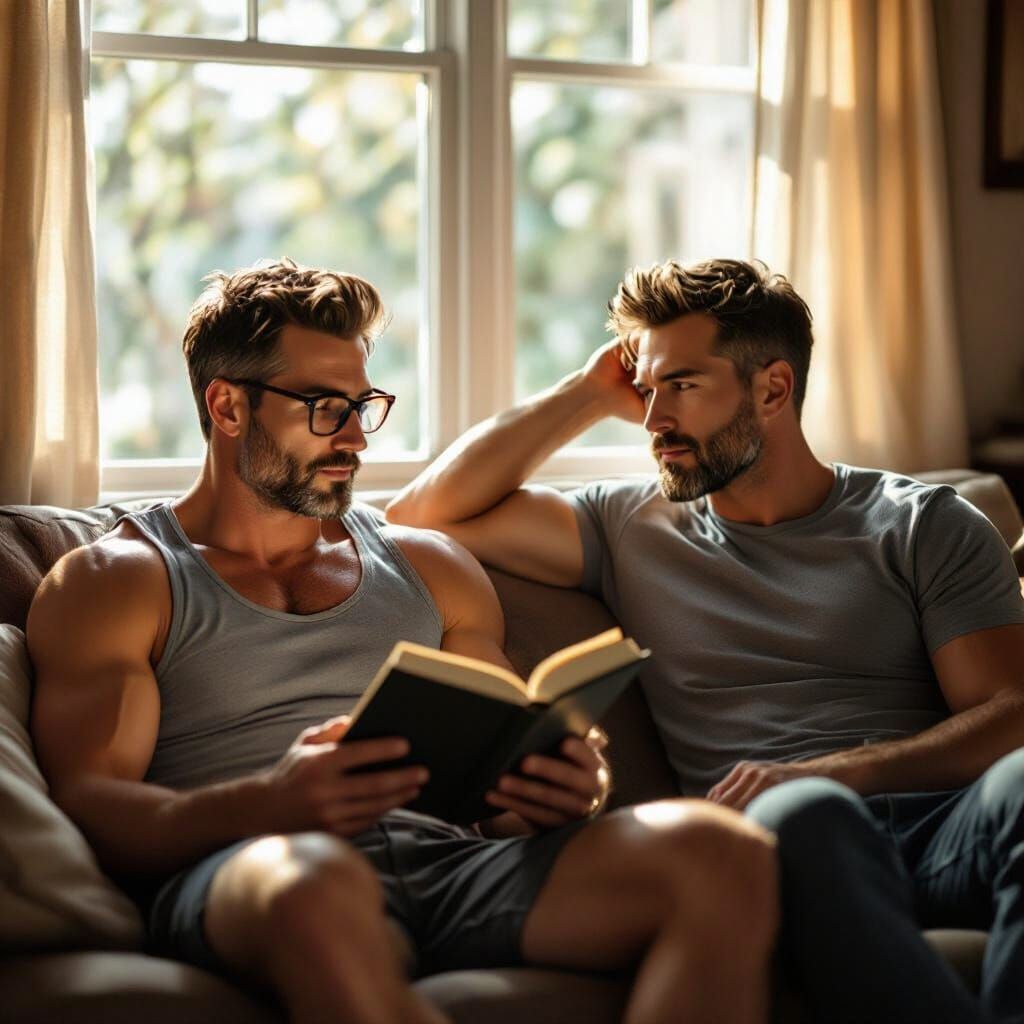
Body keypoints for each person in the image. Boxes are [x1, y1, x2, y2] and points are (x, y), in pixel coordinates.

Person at [26, 259, 777, 1024]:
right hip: (256, 868)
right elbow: (92, 804)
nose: (354, 437)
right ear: (226, 406)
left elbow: (499, 782)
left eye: (362, 405)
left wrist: (560, 791)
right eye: (324, 408)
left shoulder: (428, 564)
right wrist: (272, 802)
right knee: (313, 880)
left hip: (452, 865)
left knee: (723, 854)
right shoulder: (118, 580)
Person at [386, 257, 1024, 1024]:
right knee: (808, 814)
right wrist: (589, 393)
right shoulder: (626, 525)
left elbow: (1008, 712)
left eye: (682, 386)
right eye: (646, 389)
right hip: (783, 841)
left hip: (942, 829)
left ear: (773, 389)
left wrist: (833, 772)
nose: (654, 419)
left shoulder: (925, 523)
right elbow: (419, 516)